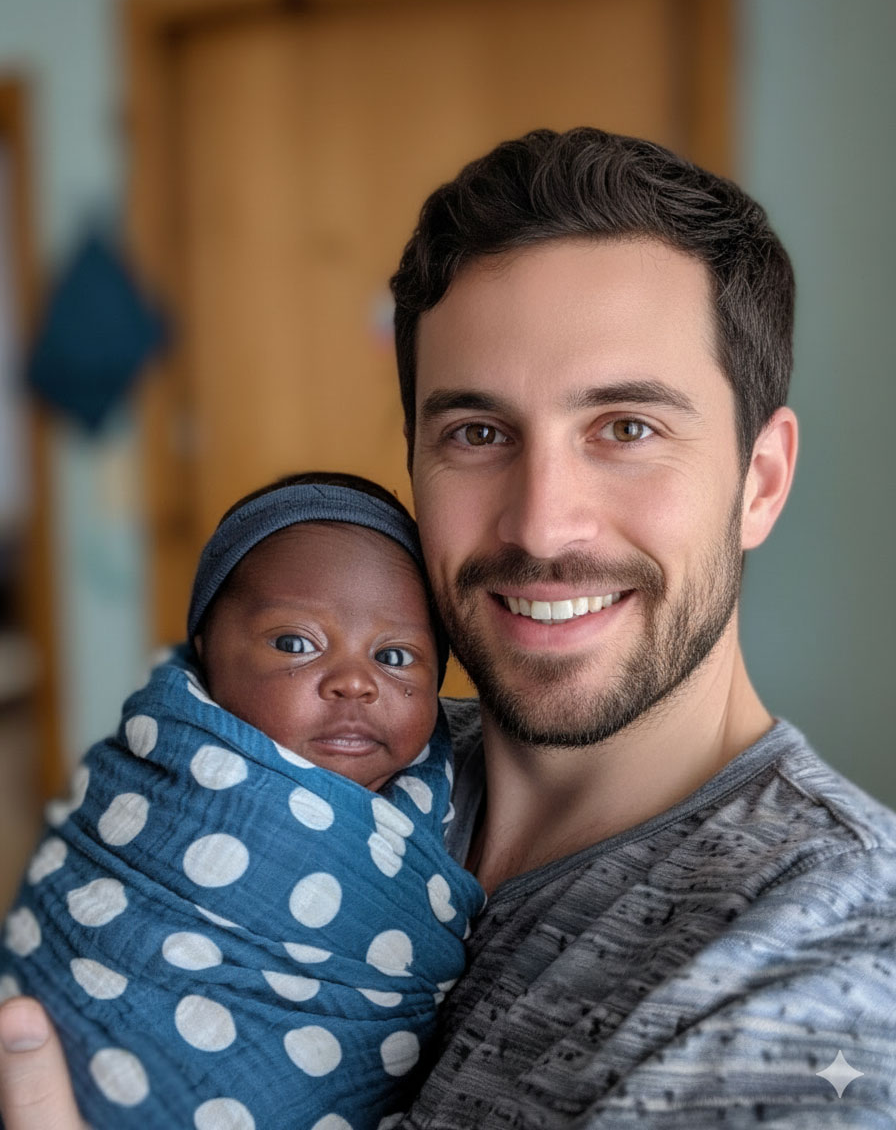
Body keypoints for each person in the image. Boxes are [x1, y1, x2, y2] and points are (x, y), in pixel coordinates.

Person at [3, 126, 896, 1127]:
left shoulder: (827, 964)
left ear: (758, 482)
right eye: (477, 433)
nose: (540, 525)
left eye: (626, 429)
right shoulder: (315, 751)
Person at [0, 472, 485, 1130]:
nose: (355, 682)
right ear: (206, 651)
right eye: (296, 644)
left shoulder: (444, 793)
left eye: (396, 656)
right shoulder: (161, 768)